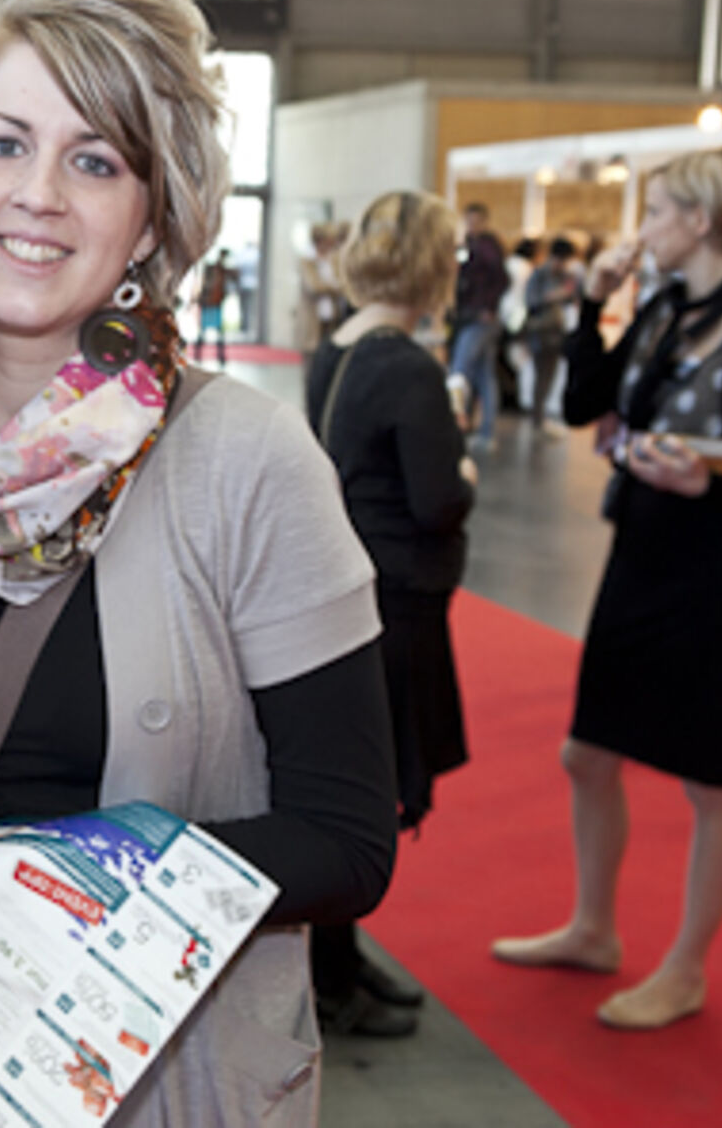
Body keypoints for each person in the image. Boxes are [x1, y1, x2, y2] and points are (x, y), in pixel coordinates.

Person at [0, 0, 398, 1128]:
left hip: (138, 1082)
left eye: (94, 161)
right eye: (3, 144)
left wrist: (45, 877)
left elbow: (348, 843)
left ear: (151, 215)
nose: (37, 194)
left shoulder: (246, 463)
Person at [492, 148, 722, 1030]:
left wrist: (709, 484)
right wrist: (593, 305)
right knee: (587, 753)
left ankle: (685, 968)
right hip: (641, 558)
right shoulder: (667, 308)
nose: (643, 229)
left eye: (659, 210)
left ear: (702, 221)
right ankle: (594, 927)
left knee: (711, 780)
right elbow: (582, 406)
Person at [304, 191, 477, 1039]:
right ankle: (332, 975)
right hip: (397, 597)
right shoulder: (408, 365)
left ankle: (339, 955)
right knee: (368, 793)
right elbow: (437, 499)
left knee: (351, 779)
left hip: (346, 583)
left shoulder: (334, 348)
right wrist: (466, 466)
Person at [452, 201, 508, 450]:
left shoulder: (488, 247)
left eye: (476, 221)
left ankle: (458, 428)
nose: (472, 225)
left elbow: (500, 280)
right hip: (471, 316)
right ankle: (485, 432)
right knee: (484, 375)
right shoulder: (469, 244)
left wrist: (489, 307)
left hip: (481, 318)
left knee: (460, 370)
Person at [523, 236, 580, 434]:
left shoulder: (565, 276)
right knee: (541, 376)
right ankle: (537, 418)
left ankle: (540, 416)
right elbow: (531, 301)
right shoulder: (539, 275)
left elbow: (571, 299)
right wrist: (553, 296)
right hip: (540, 332)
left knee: (550, 376)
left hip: (557, 333)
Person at [300, 219, 350, 350]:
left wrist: (334, 287)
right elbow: (315, 287)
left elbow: (343, 282)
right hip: (314, 316)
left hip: (333, 313)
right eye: (329, 241)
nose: (332, 244)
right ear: (320, 241)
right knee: (313, 351)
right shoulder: (308, 260)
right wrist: (335, 288)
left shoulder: (333, 259)